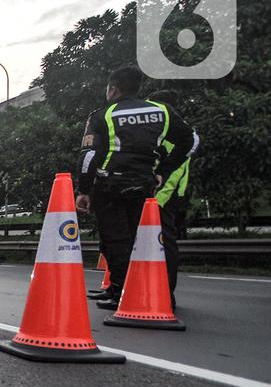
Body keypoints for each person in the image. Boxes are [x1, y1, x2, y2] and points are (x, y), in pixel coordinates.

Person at [75, 66, 198, 310]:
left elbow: (89, 156)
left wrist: (84, 189)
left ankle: (122, 293)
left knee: (115, 240)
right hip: (145, 186)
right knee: (143, 241)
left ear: (113, 89)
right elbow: (191, 140)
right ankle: (143, 292)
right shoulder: (161, 111)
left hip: (110, 185)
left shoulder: (102, 115)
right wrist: (163, 169)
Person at [146, 90, 196, 302]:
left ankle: (166, 295)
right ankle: (152, 291)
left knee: (164, 243)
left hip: (163, 196)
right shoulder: (179, 128)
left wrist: (158, 198)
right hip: (165, 194)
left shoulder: (175, 132)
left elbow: (174, 171)